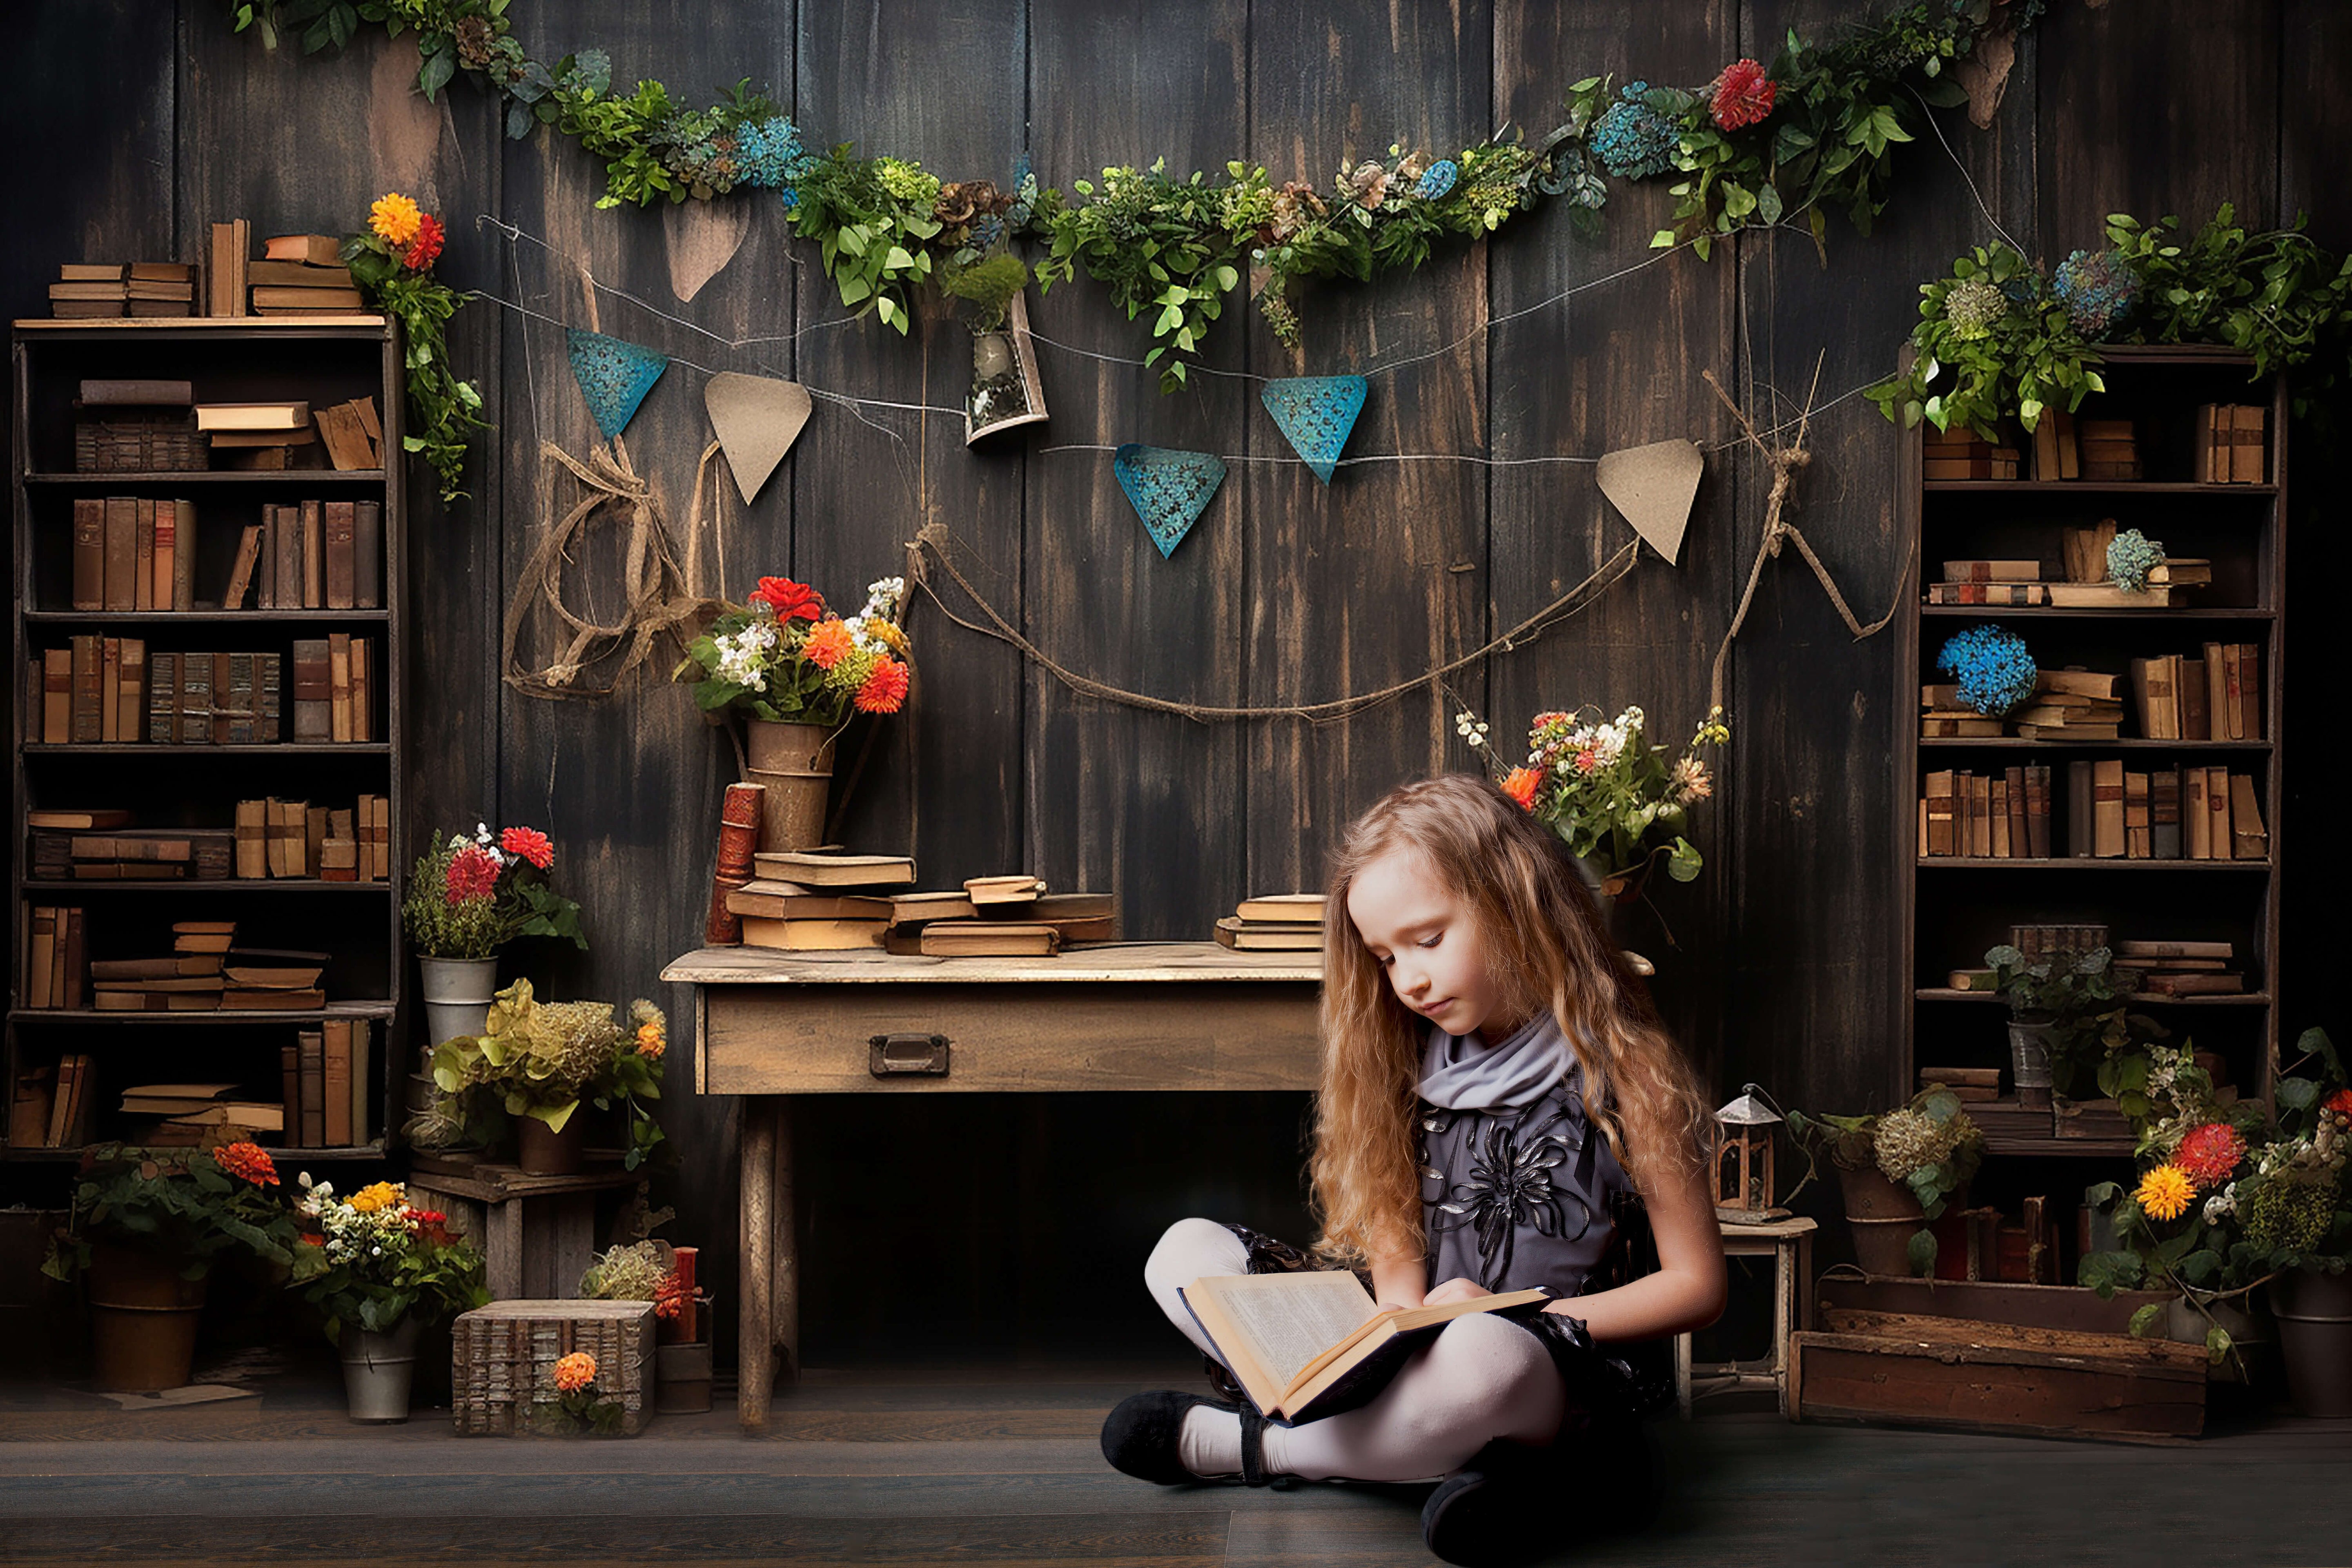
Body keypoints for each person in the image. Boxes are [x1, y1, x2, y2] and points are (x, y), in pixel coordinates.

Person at [1101, 773, 1727, 1565]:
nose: (1409, 981)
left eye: (1428, 940)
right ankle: (1438, 1456)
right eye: (1385, 957)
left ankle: (1256, 1448)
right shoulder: (1403, 1059)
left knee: (1480, 1359)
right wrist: (1393, 1331)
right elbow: (1399, 1270)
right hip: (1416, 1350)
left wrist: (1502, 1321)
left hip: (1543, 1361)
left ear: (1517, 902)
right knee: (1184, 1253)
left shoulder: (1625, 1073)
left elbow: (1698, 1289)